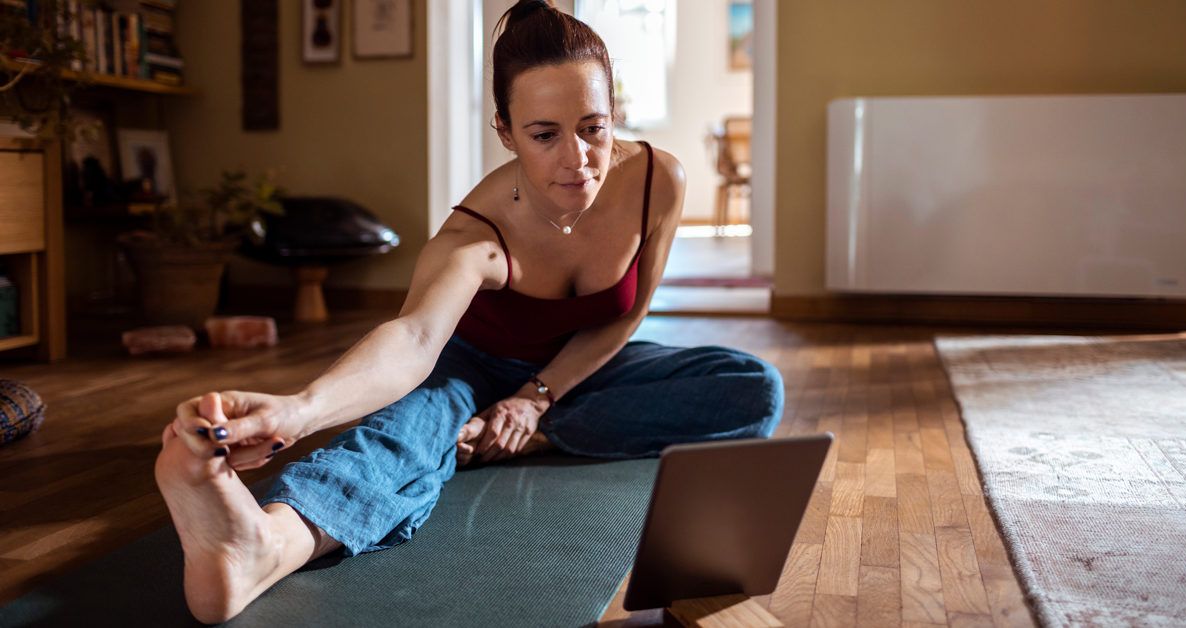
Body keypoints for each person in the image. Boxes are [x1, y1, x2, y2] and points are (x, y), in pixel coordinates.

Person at [153, 1, 785, 622]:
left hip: (575, 370)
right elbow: (413, 337)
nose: (578, 159)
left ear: (613, 115)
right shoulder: (475, 235)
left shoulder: (657, 181)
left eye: (593, 126)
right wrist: (300, 409)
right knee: (406, 431)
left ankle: (512, 440)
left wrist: (535, 400)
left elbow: (625, 315)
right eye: (544, 134)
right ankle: (264, 545)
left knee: (752, 387)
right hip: (468, 369)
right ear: (506, 133)